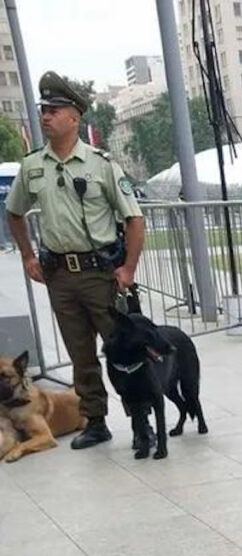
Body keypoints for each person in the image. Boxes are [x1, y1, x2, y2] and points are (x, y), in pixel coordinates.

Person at [6, 72, 144, 450]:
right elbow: (14, 212)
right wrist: (28, 255)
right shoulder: (34, 166)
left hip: (100, 275)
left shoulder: (101, 165)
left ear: (75, 117)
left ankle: (140, 418)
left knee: (121, 350)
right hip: (60, 277)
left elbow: (134, 218)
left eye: (54, 110)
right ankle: (95, 420)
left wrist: (128, 268)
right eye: (43, 110)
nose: (46, 117)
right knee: (80, 354)